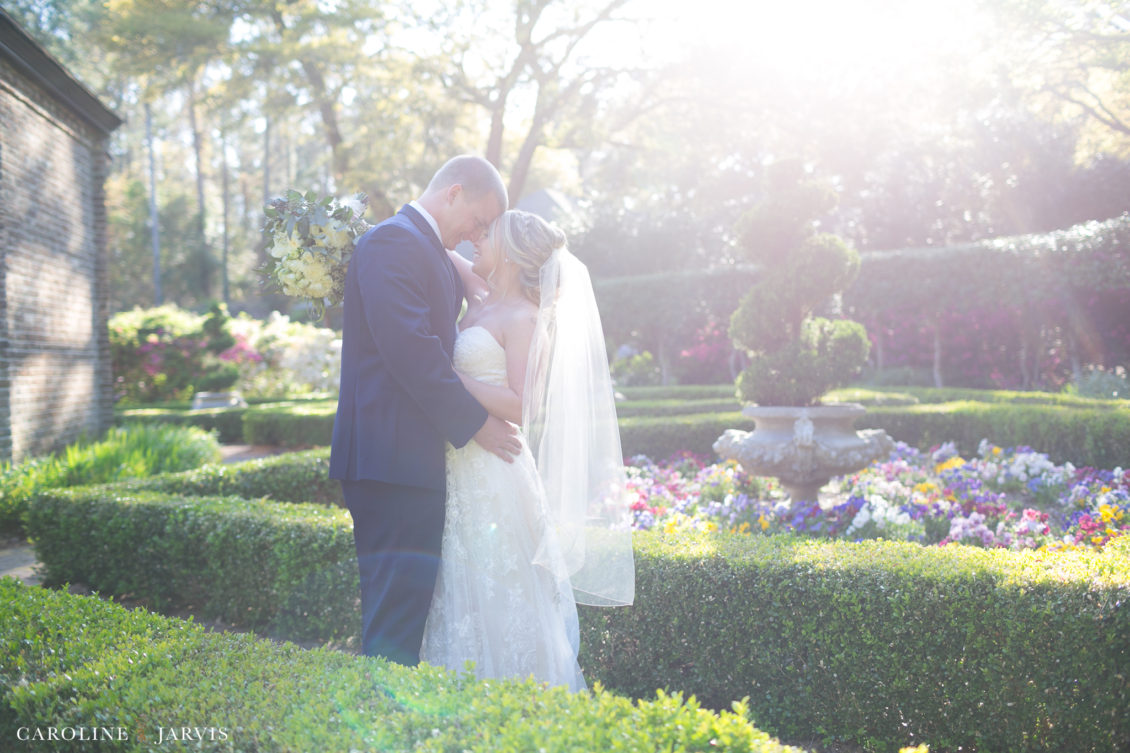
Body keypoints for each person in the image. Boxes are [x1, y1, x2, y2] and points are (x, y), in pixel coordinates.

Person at [419, 210, 635, 690]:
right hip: (458, 463)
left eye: (487, 234)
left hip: (495, 469)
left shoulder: (525, 317)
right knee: (458, 591)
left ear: (513, 254)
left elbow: (522, 405)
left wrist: (447, 376)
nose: (476, 239)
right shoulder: (479, 295)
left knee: (498, 587)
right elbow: (434, 240)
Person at [330, 155, 521, 665]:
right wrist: (476, 424)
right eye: (478, 221)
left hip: (406, 458)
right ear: (453, 193)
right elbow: (411, 351)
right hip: (389, 460)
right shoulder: (394, 241)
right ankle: (379, 713)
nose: (476, 235)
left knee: (408, 614)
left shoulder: (423, 243)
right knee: (396, 618)